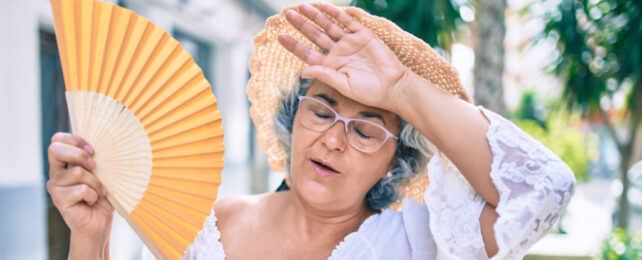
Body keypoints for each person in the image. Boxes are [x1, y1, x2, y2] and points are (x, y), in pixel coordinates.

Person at [46, 3, 575, 260]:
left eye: (367, 128)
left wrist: (400, 89)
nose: (333, 139)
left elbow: (543, 188)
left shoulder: (421, 241)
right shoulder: (204, 227)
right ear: (292, 117)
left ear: (396, 159)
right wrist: (90, 237)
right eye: (322, 111)